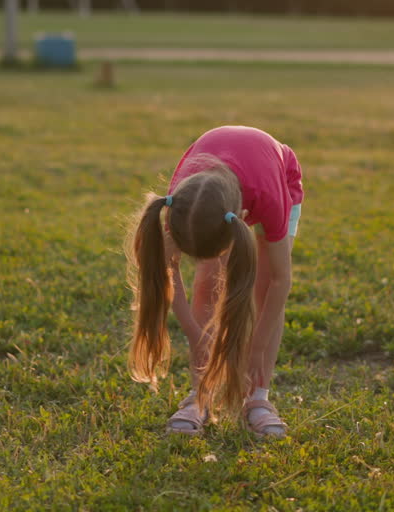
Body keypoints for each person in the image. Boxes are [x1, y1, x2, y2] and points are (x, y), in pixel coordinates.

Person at [126, 126, 303, 438]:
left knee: (264, 284)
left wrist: (257, 348)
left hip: (278, 178)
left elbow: (280, 280)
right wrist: (196, 334)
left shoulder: (269, 200)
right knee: (207, 283)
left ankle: (258, 398)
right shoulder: (183, 204)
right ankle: (201, 396)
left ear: (241, 216)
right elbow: (167, 270)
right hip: (217, 194)